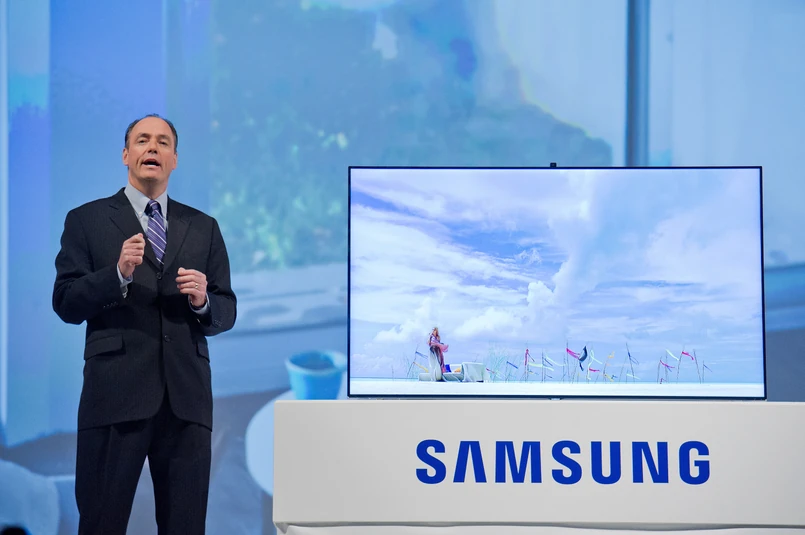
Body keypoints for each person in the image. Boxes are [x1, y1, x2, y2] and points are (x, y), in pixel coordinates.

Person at [52, 114, 237, 534]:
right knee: (101, 523)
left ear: (174, 159)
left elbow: (225, 310)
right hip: (114, 393)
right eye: (142, 140)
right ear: (125, 155)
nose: (152, 147)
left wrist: (203, 301)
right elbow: (65, 301)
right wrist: (116, 274)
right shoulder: (87, 220)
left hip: (186, 400)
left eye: (163, 142)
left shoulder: (203, 227)